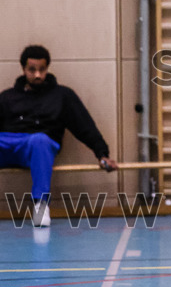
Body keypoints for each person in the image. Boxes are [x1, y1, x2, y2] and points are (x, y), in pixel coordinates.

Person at [0, 45, 118, 227]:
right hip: (9, 143)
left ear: (47, 68)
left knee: (39, 140)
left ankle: (41, 205)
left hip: (39, 145)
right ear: (23, 69)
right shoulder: (7, 97)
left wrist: (102, 154)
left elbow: (84, 126)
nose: (38, 75)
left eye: (42, 69)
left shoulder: (62, 96)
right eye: (32, 70)